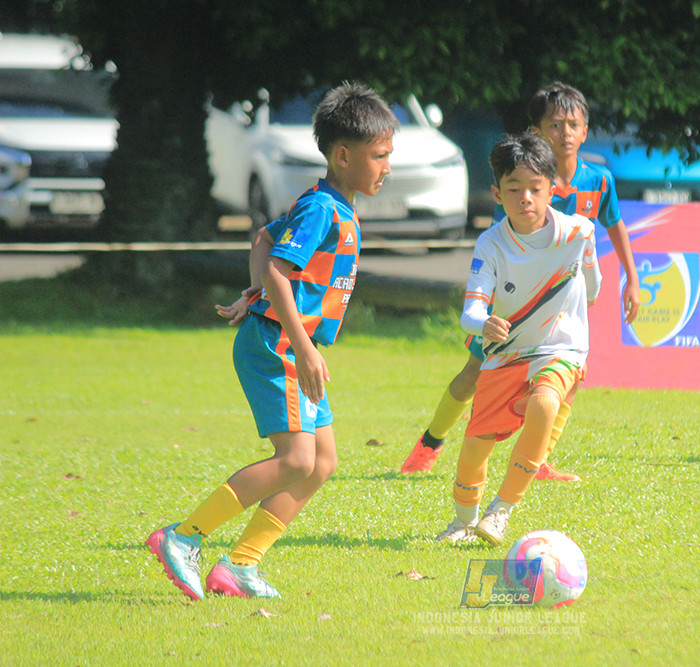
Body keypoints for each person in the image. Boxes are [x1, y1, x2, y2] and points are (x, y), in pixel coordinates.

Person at [145, 82, 397, 600]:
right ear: (343, 155)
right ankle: (182, 537)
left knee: (321, 463)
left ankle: (240, 565)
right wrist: (301, 341)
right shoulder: (323, 210)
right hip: (278, 346)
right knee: (297, 461)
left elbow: (263, 239)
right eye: (380, 156)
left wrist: (256, 291)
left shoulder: (330, 206)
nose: (387, 166)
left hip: (289, 342)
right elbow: (282, 268)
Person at [401, 82, 639, 481]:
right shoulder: (520, 186)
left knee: (570, 374)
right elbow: (497, 248)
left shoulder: (599, 181)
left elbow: (614, 226)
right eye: (555, 124)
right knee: (472, 376)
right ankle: (430, 442)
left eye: (573, 124)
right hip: (514, 305)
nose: (564, 133)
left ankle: (539, 458)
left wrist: (631, 279)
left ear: (585, 130)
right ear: (536, 131)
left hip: (562, 305)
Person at [436, 131, 601, 546]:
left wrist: (589, 286)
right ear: (496, 193)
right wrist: (483, 323)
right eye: (514, 189)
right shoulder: (491, 243)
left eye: (535, 188)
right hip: (504, 355)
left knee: (547, 403)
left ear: (553, 190)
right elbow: (471, 310)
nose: (525, 198)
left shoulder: (578, 232)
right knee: (475, 449)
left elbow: (594, 286)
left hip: (560, 348)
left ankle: (501, 510)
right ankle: (462, 523)